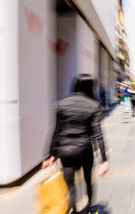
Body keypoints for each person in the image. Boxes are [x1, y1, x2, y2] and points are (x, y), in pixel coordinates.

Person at [42, 74, 109, 214]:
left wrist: (50, 155)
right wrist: (104, 160)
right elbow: (98, 134)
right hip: (85, 149)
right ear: (90, 87)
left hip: (65, 151)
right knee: (88, 181)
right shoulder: (94, 105)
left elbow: (56, 131)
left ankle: (73, 210)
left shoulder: (61, 104)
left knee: (70, 185)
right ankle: (90, 207)